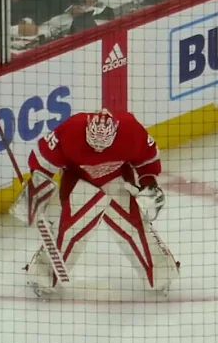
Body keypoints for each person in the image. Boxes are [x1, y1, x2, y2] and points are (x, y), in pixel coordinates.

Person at [14, 109, 180, 297]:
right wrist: (35, 190)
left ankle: (160, 273)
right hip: (80, 183)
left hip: (118, 181)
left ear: (115, 132)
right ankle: (43, 274)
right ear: (87, 130)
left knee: (134, 226)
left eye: (103, 145)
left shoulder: (131, 130)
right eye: (94, 144)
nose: (98, 149)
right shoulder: (71, 129)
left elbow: (147, 159)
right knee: (71, 231)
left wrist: (149, 184)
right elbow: (43, 161)